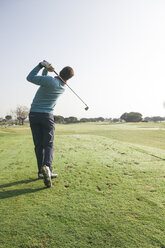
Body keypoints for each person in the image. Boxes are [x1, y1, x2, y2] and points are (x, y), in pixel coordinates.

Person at [27, 60, 74, 187]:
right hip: (47, 116)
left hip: (34, 115)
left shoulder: (49, 81)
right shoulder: (62, 87)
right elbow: (45, 80)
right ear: (68, 78)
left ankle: (41, 172)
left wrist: (41, 66)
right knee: (48, 144)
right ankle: (47, 167)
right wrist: (46, 70)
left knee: (38, 145)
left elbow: (30, 78)